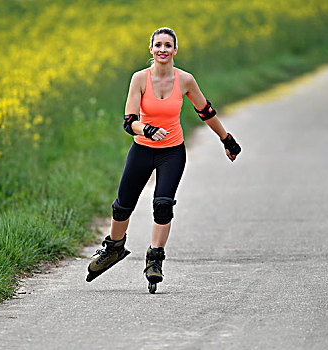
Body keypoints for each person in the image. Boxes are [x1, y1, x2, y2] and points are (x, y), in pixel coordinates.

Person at [86, 27, 241, 293]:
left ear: (175, 51)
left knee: (163, 204)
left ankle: (155, 259)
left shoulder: (185, 80)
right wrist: (146, 129)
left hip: (172, 151)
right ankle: (113, 248)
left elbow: (206, 111)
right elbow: (129, 122)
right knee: (122, 207)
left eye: (168, 46)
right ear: (151, 49)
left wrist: (226, 138)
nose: (162, 50)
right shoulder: (139, 79)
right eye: (158, 45)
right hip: (142, 149)